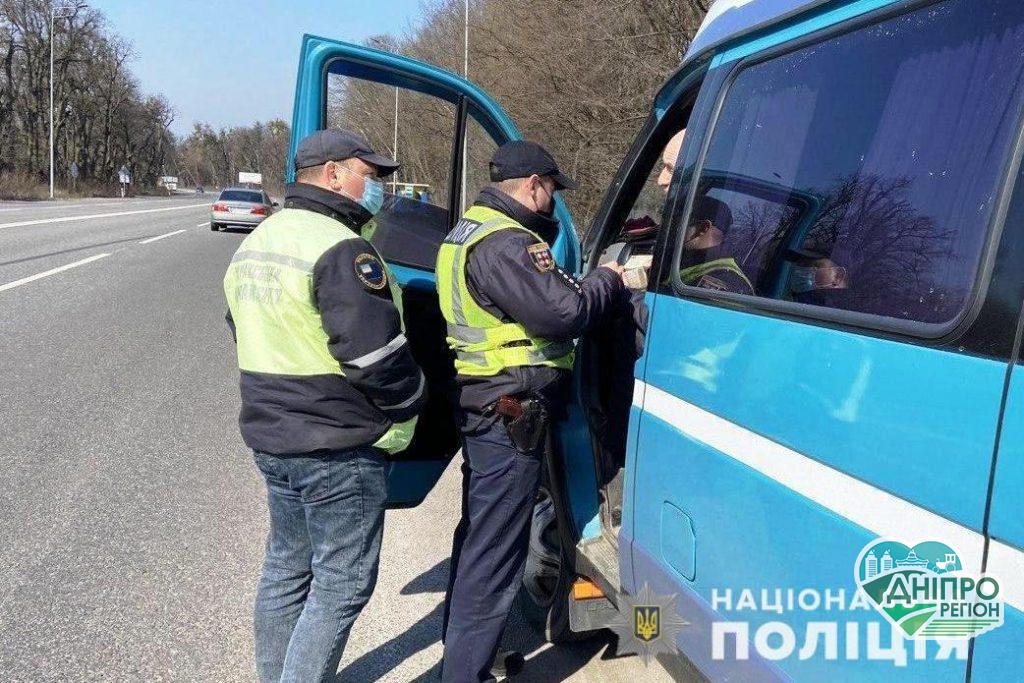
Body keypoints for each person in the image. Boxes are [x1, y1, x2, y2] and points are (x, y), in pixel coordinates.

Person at [222, 129, 428, 683]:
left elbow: (239, 328)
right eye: (370, 174)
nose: (378, 187)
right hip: (336, 446)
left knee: (287, 570)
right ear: (334, 173)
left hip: (273, 437)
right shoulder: (343, 248)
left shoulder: (259, 240)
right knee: (342, 584)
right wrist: (414, 401)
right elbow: (375, 356)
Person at [436, 140, 628, 683]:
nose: (549, 205)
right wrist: (609, 281)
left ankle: (471, 657)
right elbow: (565, 312)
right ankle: (465, 674)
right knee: (495, 553)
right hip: (508, 413)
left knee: (479, 538)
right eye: (550, 192)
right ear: (533, 185)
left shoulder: (467, 230)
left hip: (487, 404)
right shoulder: (506, 243)